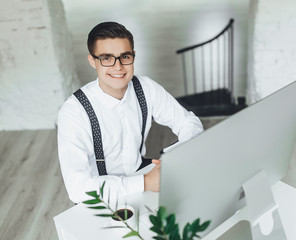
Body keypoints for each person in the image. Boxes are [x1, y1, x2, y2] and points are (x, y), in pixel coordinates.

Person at [57, 22, 203, 204]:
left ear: (133, 56)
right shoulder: (74, 113)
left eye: (124, 57)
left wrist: (176, 159)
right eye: (107, 58)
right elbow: (78, 189)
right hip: (100, 197)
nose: (118, 67)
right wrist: (145, 183)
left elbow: (189, 123)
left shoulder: (146, 88)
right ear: (93, 61)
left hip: (143, 177)